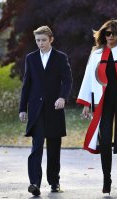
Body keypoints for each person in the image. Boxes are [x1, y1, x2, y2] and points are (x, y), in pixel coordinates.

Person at [76, 19, 117, 194]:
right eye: (107, 33)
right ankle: (106, 179)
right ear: (103, 34)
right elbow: (88, 77)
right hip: (102, 100)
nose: (110, 36)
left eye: (114, 33)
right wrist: (86, 103)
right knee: (104, 141)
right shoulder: (96, 53)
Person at [19, 26, 72, 196]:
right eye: (37, 40)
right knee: (36, 148)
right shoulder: (31, 58)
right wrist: (22, 108)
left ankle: (54, 182)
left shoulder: (60, 58)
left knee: (54, 148)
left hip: (55, 109)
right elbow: (26, 85)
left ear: (51, 39)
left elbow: (67, 80)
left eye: (43, 40)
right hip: (36, 110)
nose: (40, 43)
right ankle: (34, 183)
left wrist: (63, 97)